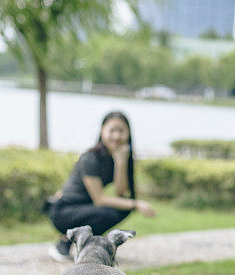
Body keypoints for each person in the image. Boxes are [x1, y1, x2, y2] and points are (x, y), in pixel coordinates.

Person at [46, 111, 156, 262]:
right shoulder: (91, 157)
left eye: (121, 131)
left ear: (128, 133)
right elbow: (100, 199)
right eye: (112, 130)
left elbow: (121, 192)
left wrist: (120, 162)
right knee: (111, 212)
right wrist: (137, 204)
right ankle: (67, 243)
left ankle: (78, 244)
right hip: (64, 210)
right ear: (102, 131)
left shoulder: (118, 156)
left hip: (83, 207)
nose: (117, 136)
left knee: (122, 209)